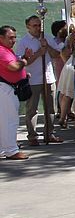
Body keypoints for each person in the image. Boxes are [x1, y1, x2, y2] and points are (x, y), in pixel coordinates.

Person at [16, 15, 63, 145]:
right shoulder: (24, 41)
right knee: (32, 109)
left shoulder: (46, 37)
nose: (37, 28)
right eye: (34, 26)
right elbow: (22, 62)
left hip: (48, 77)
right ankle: (32, 136)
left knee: (51, 108)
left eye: (39, 25)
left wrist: (47, 47)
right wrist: (38, 53)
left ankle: (49, 133)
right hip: (33, 79)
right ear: (28, 27)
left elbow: (57, 54)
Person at [0, 25, 30, 159]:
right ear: (1, 38)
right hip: (5, 89)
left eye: (14, 38)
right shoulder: (2, 51)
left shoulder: (7, 50)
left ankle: (3, 148)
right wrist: (23, 61)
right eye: (10, 38)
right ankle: (11, 150)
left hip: (9, 88)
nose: (13, 40)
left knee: (4, 120)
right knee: (9, 120)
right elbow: (13, 67)